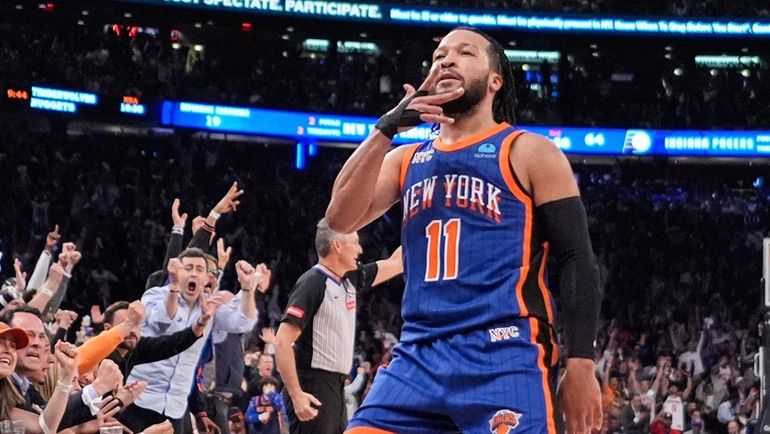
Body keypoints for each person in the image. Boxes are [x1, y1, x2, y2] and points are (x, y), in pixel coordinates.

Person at [326, 26, 602, 433]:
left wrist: (580, 362)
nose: (446, 60)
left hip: (505, 353)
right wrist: (385, 129)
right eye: (439, 55)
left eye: (465, 53)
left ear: (496, 80)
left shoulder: (528, 151)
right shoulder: (405, 159)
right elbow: (339, 218)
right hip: (418, 355)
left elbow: (577, 258)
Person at [274, 219, 402, 434]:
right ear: (337, 246)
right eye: (355, 242)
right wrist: (296, 395)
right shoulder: (312, 283)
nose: (360, 249)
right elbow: (281, 341)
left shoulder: (350, 279)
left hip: (335, 385)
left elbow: (397, 262)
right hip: (313, 384)